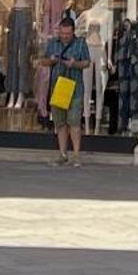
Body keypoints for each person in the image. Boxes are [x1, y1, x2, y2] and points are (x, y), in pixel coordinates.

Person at [42, 12, 91, 167]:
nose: (65, 36)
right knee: (60, 123)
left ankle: (76, 155)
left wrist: (74, 64)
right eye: (62, 33)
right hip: (58, 86)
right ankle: (63, 154)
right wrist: (51, 60)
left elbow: (87, 63)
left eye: (68, 34)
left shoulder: (81, 43)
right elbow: (42, 60)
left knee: (74, 122)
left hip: (74, 86)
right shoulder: (53, 43)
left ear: (73, 32)